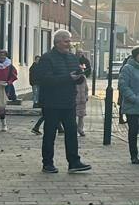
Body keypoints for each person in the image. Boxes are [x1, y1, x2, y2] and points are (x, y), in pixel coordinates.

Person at [30, 31, 92, 174]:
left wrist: (81, 76)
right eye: (66, 41)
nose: (69, 44)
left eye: (69, 41)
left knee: (71, 132)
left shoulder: (72, 58)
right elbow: (45, 79)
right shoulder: (47, 58)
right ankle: (48, 163)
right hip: (51, 103)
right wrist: (68, 78)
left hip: (69, 102)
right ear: (57, 42)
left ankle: (74, 162)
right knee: (50, 133)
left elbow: (76, 75)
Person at [73, 45, 92, 137]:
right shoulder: (72, 78)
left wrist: (86, 95)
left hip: (82, 99)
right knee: (73, 115)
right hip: (75, 99)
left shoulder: (83, 77)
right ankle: (76, 128)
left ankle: (80, 129)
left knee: (81, 116)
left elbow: (86, 88)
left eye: (81, 53)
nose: (80, 54)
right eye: (78, 52)